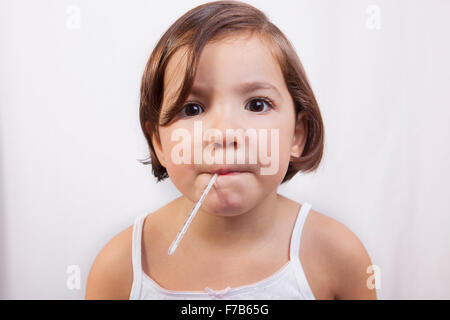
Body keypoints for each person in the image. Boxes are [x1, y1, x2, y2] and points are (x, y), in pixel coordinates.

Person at [85, 0, 377, 300]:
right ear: (159, 143)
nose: (225, 134)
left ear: (297, 134)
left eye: (257, 105)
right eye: (192, 108)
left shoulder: (338, 257)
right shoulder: (118, 270)